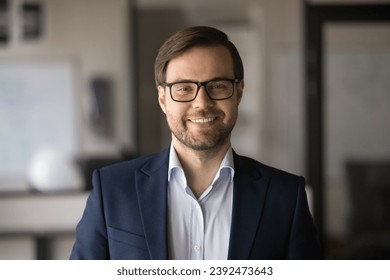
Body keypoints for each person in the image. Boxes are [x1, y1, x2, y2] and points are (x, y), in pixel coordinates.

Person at [70, 26, 321, 260]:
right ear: (162, 98)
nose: (202, 103)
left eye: (218, 86)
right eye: (183, 88)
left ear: (239, 92)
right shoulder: (112, 189)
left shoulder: (286, 196)